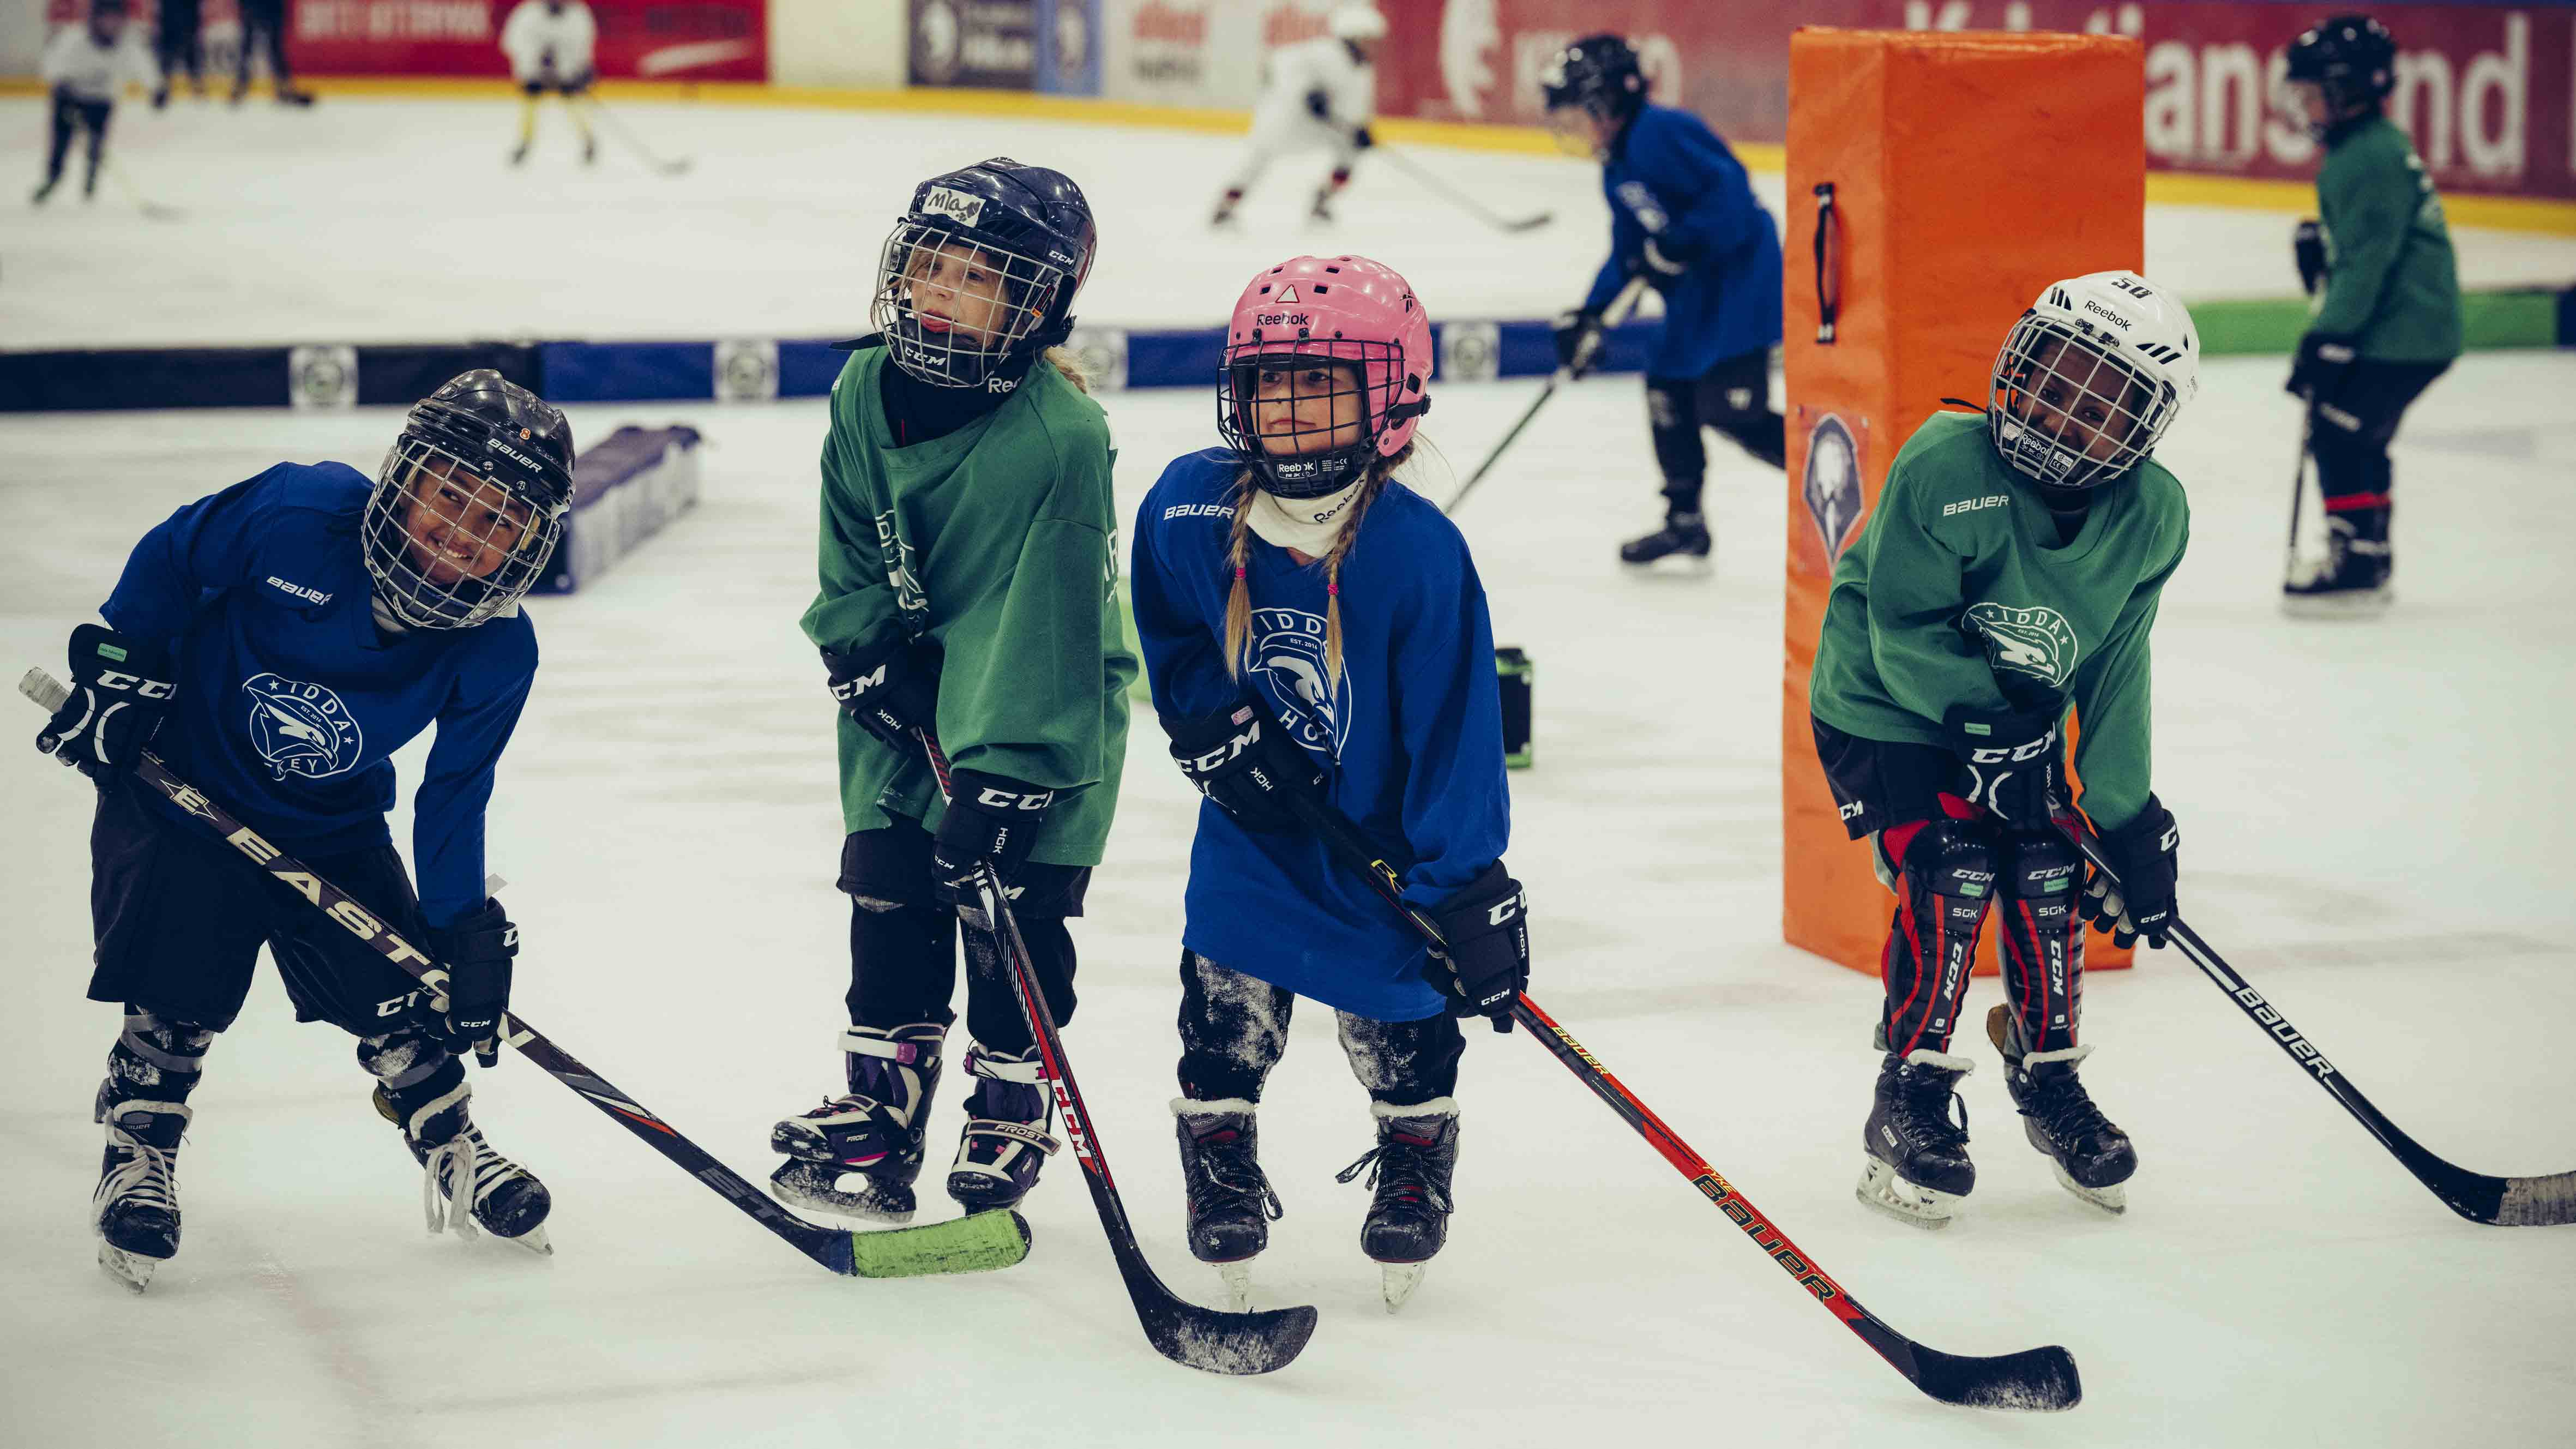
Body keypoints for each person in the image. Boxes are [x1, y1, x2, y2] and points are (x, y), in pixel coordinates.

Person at [34, 371, 575, 1290]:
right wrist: (121, 671)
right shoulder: (296, 514)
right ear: (405, 478)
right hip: (186, 795)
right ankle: (139, 1149)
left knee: (405, 994)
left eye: (496, 524)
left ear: (525, 549)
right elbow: (174, 558)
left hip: (331, 820)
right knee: (179, 995)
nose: (460, 532)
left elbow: (453, 795)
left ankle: (452, 1138)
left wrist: (462, 928)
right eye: (450, 495)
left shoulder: (495, 650)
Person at [1129, 254, 1528, 1311]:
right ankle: (1217, 1153)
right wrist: (1206, 722)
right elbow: (1168, 624)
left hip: (1384, 849)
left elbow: (1456, 731)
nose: (1290, 408)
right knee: (1222, 998)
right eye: (1270, 382)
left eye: (1320, 382)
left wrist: (1466, 883)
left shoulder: (1418, 554)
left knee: (1400, 1013)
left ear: (1390, 395)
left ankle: (1413, 1149)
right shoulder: (1188, 507)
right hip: (1255, 833)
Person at [768, 160, 1134, 1227]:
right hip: (909, 672)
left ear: (1037, 305)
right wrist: (860, 648)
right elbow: (846, 540)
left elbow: (1055, 624)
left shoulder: (1061, 441)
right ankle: (880, 1113)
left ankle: (1010, 1099)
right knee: (887, 886)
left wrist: (1007, 773)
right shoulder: (861, 388)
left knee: (1009, 904)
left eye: (976, 279)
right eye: (929, 265)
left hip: (1040, 703)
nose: (939, 293)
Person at [1806, 270, 2198, 1229]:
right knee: (1951, 863)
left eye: (2097, 409)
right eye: (2053, 384)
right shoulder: (1945, 462)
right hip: (1884, 706)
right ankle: (1908, 1092)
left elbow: (2112, 665)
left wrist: (2127, 819)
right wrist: (1988, 724)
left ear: (2141, 434)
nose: (2061, 419)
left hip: (2012, 721)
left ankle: (2048, 1077)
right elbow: (1900, 632)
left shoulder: (2151, 515)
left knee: (2051, 863)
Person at [1542, 33, 1786, 569]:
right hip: (1697, 291)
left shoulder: (1660, 132)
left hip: (1741, 282)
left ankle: (1853, 481)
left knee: (1727, 409)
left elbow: (1732, 197)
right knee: (1666, 386)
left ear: (1607, 101)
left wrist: (1685, 239)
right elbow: (1628, 250)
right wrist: (1591, 312)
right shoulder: (1616, 164)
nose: (1573, 128)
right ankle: (1684, 522)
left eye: (1577, 113)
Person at [2282, 14, 2461, 616]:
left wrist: (2328, 337)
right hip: (2412, 327)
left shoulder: (2363, 158)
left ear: (2348, 91)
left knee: (2337, 430)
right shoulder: (2371, 147)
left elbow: (2367, 263)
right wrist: (2323, 265)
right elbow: (2362, 252)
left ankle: (2356, 560)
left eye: (2312, 92)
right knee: (2357, 433)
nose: (2304, 105)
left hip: (2400, 332)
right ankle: (2368, 552)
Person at [1210, 5, 1386, 227]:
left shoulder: (1362, 68)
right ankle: (1225, 208)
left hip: (1323, 125)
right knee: (1258, 160)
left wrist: (1359, 129)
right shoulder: (1324, 53)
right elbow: (1282, 62)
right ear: (1351, 37)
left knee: (1349, 153)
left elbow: (1354, 106)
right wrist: (1306, 92)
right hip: (1288, 119)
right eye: (1368, 39)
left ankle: (1321, 203)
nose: (1373, 45)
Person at [33, 0, 157, 206]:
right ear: (95, 19)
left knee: (97, 142)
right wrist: (61, 84)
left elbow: (142, 65)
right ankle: (53, 177)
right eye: (107, 19)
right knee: (61, 141)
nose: (112, 25)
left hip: (102, 98)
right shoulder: (74, 39)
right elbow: (51, 65)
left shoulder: (127, 43)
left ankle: (91, 179)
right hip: (70, 97)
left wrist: (156, 88)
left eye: (116, 20)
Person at [499, 0, 598, 167]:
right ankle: (525, 142)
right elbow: (511, 42)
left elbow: (584, 45)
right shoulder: (528, 14)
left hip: (566, 71)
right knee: (530, 105)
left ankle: (588, 139)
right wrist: (534, 59)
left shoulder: (578, 15)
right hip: (533, 71)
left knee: (573, 104)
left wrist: (583, 67)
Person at [232, 0, 312, 106]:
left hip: (269, 7)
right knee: (251, 47)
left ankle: (282, 88)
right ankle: (242, 86)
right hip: (257, 6)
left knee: (272, 48)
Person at [150, 0, 204, 108]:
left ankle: (197, 86)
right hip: (171, 26)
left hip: (184, 24)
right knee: (169, 60)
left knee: (188, 57)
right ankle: (162, 88)